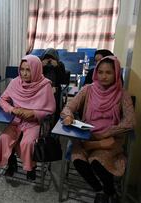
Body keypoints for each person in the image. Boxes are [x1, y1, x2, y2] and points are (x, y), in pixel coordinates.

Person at [61, 56, 135, 203]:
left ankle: (109, 191)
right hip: (87, 135)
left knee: (97, 161)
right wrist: (68, 116)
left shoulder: (122, 94)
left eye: (108, 72)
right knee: (78, 160)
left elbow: (130, 121)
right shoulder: (87, 89)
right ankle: (99, 190)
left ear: (116, 74)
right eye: (100, 72)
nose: (103, 76)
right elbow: (68, 107)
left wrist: (107, 133)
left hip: (109, 139)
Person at [0, 55, 55, 180]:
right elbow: (2, 99)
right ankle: (12, 165)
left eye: (28, 70)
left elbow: (50, 110)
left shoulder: (44, 86)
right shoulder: (15, 82)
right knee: (3, 138)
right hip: (17, 121)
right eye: (22, 69)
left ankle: (30, 168)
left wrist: (34, 113)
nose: (24, 73)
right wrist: (12, 109)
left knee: (27, 143)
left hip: (34, 123)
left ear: (36, 69)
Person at [40, 48, 66, 120]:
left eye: (52, 58)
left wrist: (56, 67)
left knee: (55, 99)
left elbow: (62, 80)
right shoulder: (40, 64)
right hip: (42, 88)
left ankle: (54, 119)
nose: (49, 60)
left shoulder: (60, 65)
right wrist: (41, 67)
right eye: (47, 58)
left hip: (55, 89)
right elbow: (36, 78)